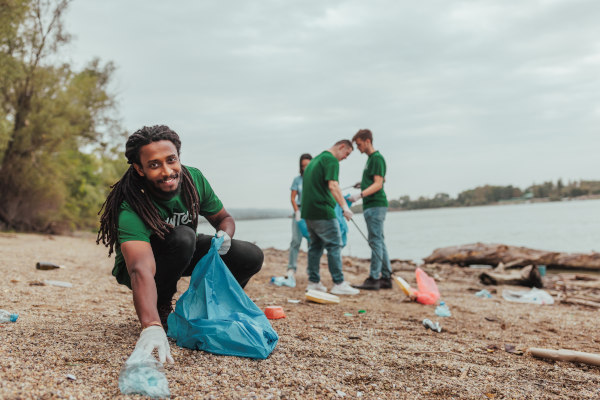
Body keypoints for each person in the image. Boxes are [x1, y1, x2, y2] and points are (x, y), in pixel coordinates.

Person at [96, 125, 264, 364]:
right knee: (184, 236)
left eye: (171, 160)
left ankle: (216, 309)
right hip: (147, 264)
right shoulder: (131, 203)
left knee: (250, 255)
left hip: (183, 250)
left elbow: (223, 218)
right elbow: (140, 268)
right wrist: (150, 325)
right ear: (139, 169)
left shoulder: (193, 179)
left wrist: (225, 235)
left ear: (178, 157)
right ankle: (162, 307)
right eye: (154, 164)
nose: (167, 171)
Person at [301, 140, 359, 295]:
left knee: (315, 246)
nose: (345, 158)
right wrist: (345, 207)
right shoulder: (331, 160)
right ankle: (338, 283)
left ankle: (313, 282)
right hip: (323, 210)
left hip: (308, 212)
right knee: (335, 245)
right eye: (347, 154)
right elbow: (333, 185)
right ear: (341, 147)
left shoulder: (315, 161)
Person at [347, 129, 392, 290]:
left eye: (359, 144)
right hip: (372, 205)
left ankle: (374, 278)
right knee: (379, 240)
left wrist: (359, 195)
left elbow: (379, 183)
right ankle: (386, 277)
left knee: (375, 241)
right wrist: (363, 183)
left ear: (367, 141)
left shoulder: (377, 158)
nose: (357, 148)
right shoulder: (370, 160)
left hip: (375, 204)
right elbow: (377, 179)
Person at [284, 153, 312, 287]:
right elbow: (292, 198)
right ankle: (291, 269)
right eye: (303, 166)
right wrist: (297, 212)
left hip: (312, 213)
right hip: (299, 212)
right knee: (295, 241)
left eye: (308, 165)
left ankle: (311, 271)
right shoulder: (297, 180)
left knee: (312, 242)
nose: (306, 168)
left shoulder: (315, 179)